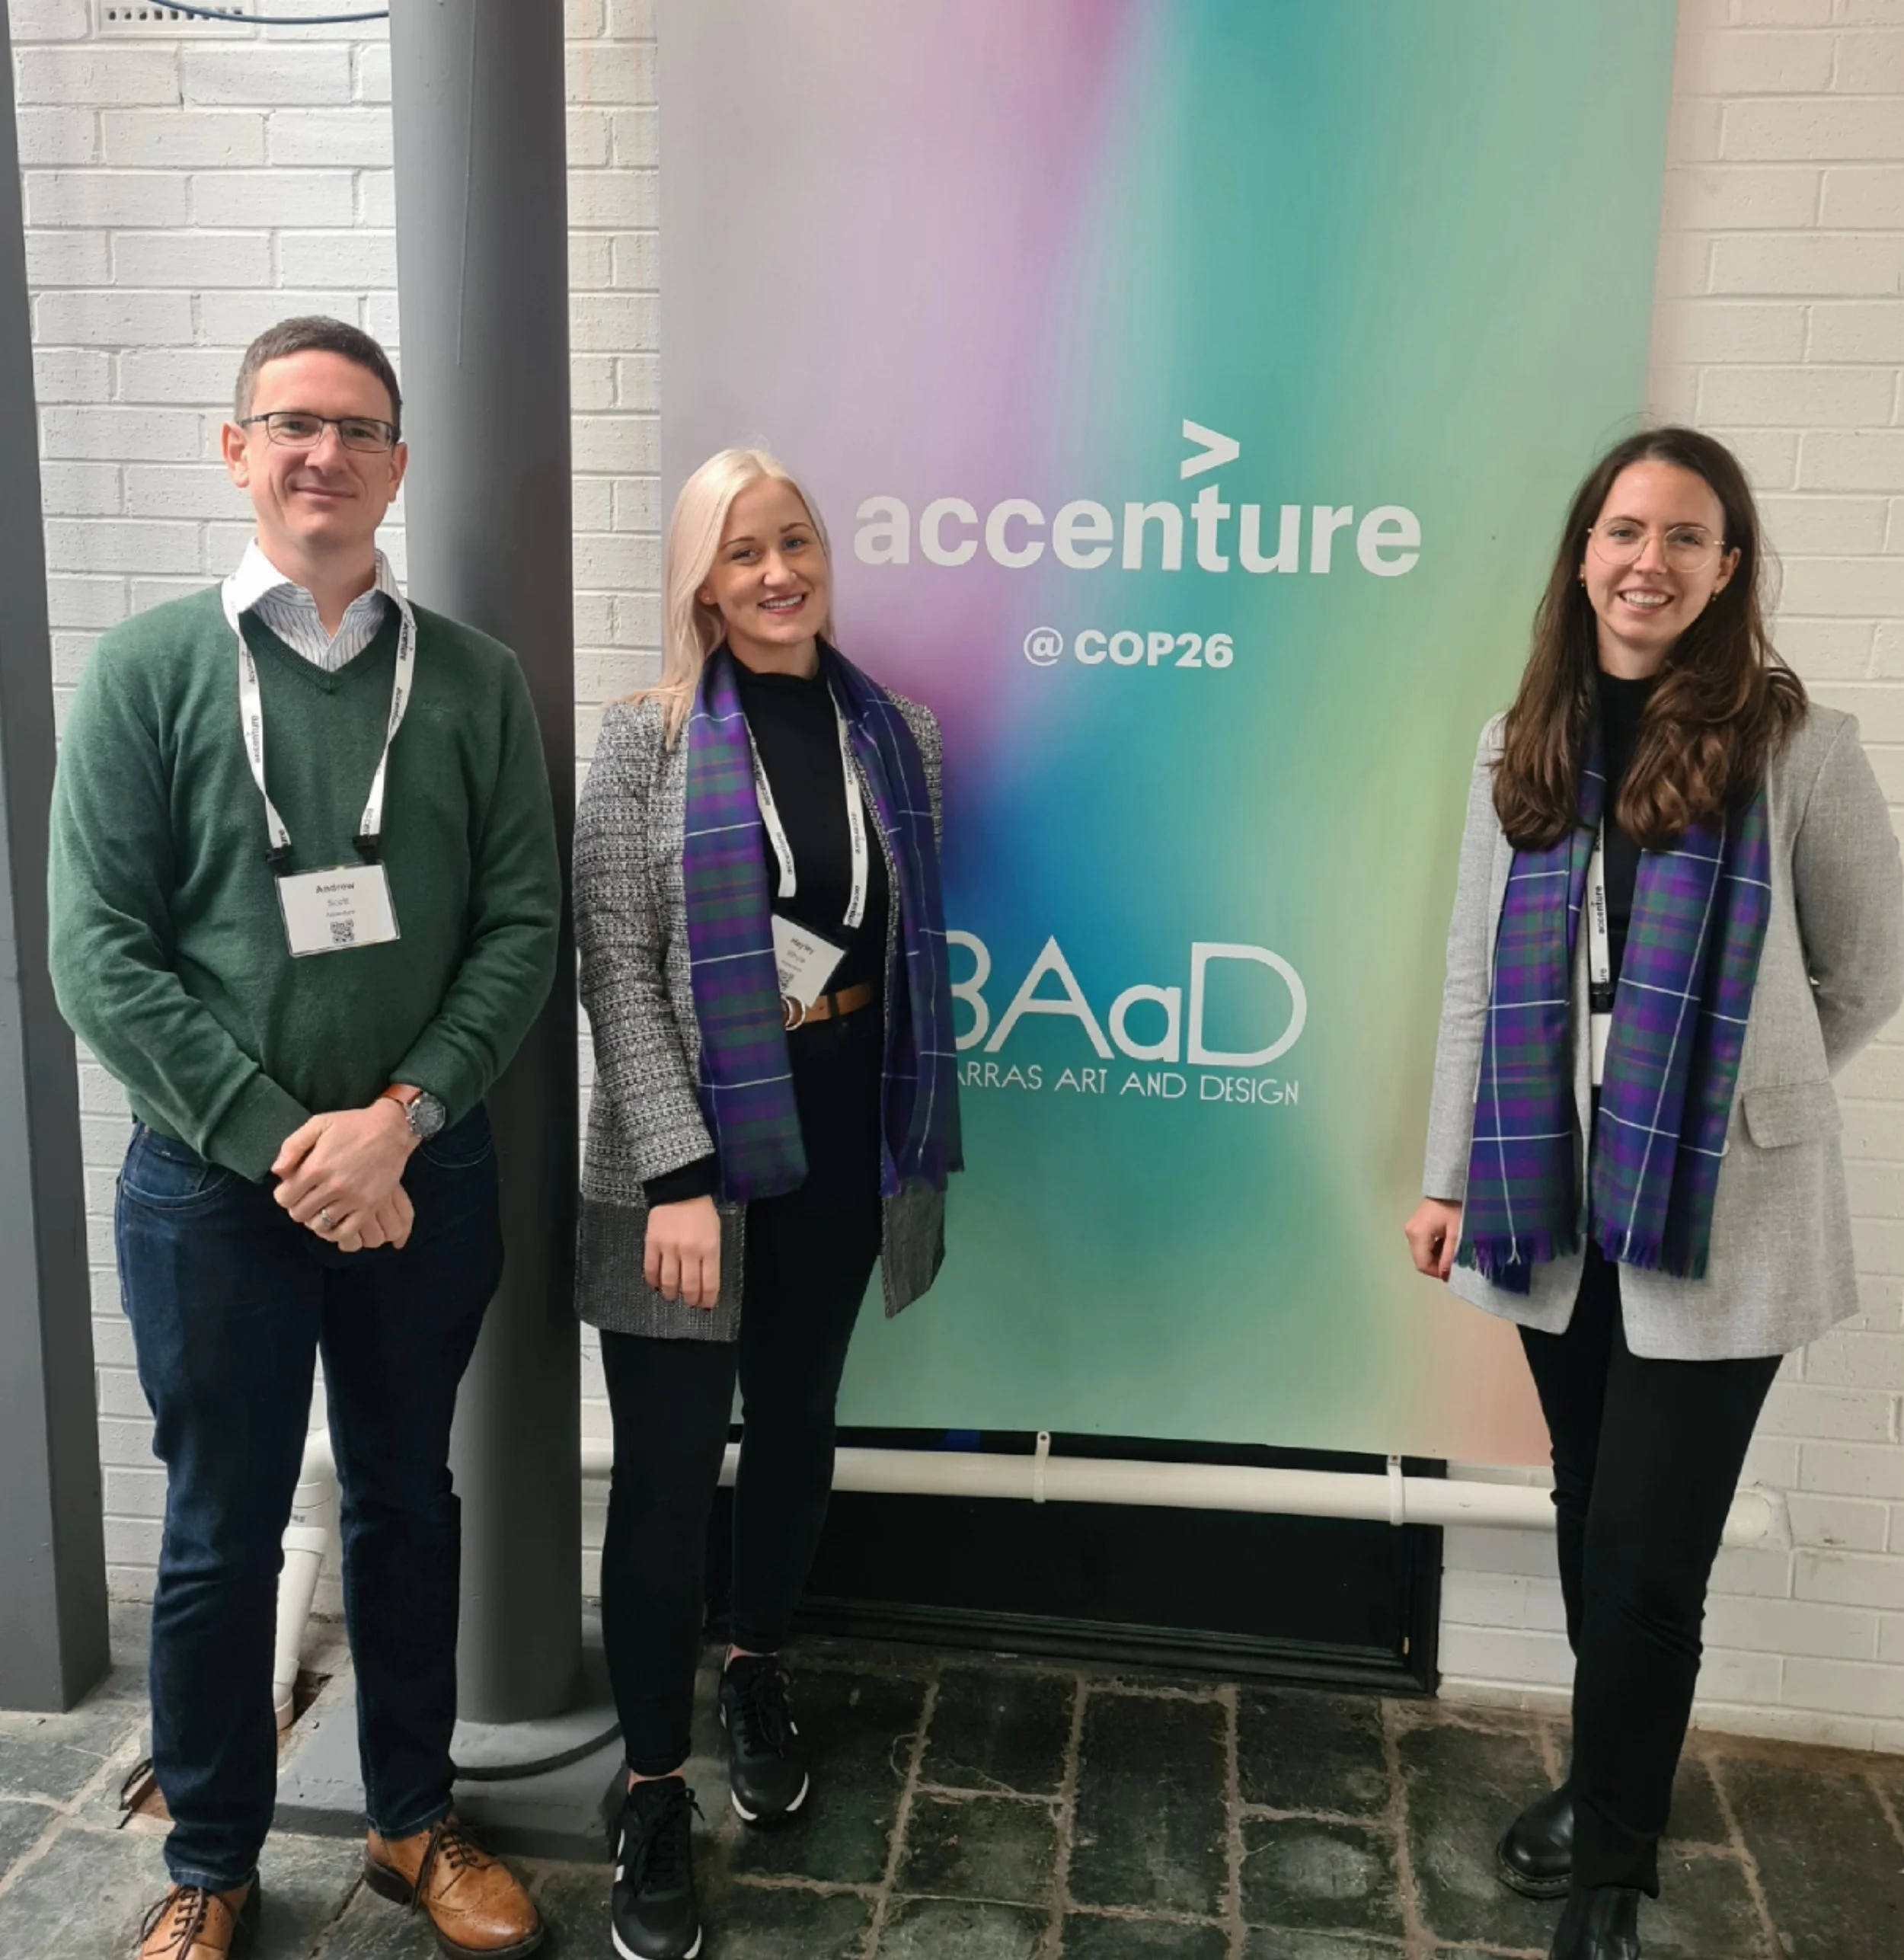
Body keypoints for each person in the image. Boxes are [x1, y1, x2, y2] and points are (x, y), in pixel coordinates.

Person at [47, 317, 560, 1960]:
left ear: (398, 465)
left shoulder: (470, 679)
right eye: (290, 424)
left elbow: (521, 929)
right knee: (218, 1525)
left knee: (411, 1497)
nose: (321, 453)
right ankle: (209, 1854)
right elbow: (96, 953)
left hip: (424, 1171)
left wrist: (396, 1125)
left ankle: (415, 1821)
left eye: (355, 430)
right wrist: (297, 1146)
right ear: (235, 449)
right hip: (211, 1189)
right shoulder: (144, 672)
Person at [1406, 426, 1904, 1960]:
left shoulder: (1795, 747)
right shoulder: (1519, 746)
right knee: (1582, 1512)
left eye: (1683, 536)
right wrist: (1442, 1176)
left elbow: (1865, 965)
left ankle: (1611, 1867)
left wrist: (1726, 1095)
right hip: (1551, 1199)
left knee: (1645, 1556)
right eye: (1623, 530)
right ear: (1581, 555)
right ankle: (1606, 1776)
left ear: (1725, 565)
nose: (1647, 560)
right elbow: (1475, 981)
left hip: (1715, 1209)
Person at [573, 447, 960, 1960]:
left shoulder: (898, 736)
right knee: (668, 1475)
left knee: (797, 1424)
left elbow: (896, 946)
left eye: (791, 541)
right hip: (680, 1174)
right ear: (699, 578)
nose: (775, 572)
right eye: (740, 552)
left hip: (839, 1146)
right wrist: (675, 1171)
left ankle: (756, 1660)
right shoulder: (639, 741)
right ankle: (653, 1787)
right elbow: (612, 963)